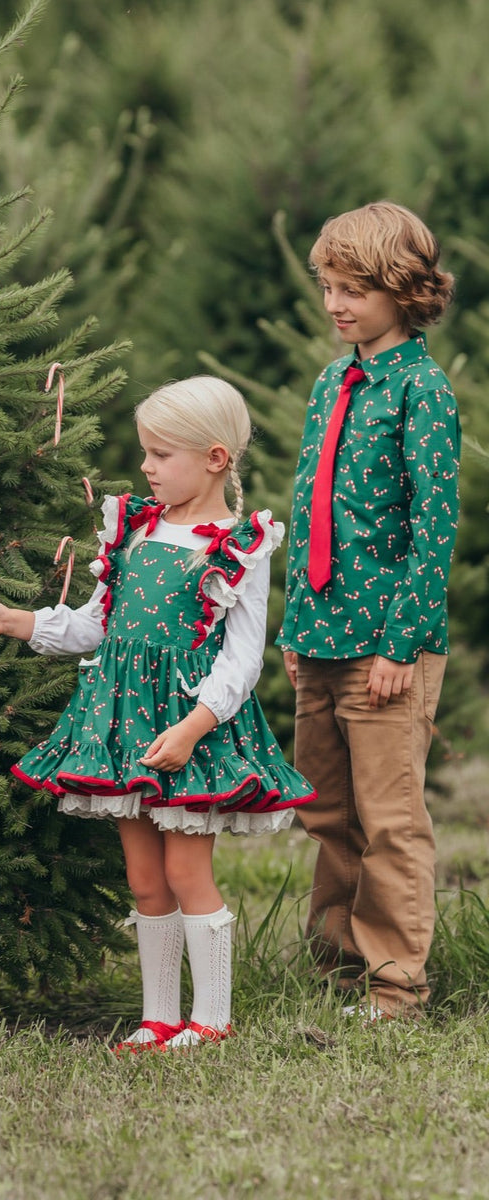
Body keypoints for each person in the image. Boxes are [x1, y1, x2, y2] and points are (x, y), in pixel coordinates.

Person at [0, 376, 314, 1050]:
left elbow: (242, 662)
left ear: (214, 459)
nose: (146, 468)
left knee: (186, 874)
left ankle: (211, 1021)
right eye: (145, 453)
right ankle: (157, 1017)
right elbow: (96, 626)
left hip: (188, 731)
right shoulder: (134, 529)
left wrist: (192, 727)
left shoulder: (239, 545)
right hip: (120, 725)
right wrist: (17, 621)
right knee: (145, 880)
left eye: (160, 454)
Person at [279, 201, 460, 1020]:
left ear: (404, 290)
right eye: (328, 287)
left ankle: (396, 988)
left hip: (385, 647)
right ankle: (340, 967)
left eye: (354, 289)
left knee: (388, 818)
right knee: (326, 809)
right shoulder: (333, 381)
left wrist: (401, 644)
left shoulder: (422, 392)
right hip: (320, 638)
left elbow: (434, 529)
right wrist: (294, 628)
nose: (336, 304)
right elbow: (312, 502)